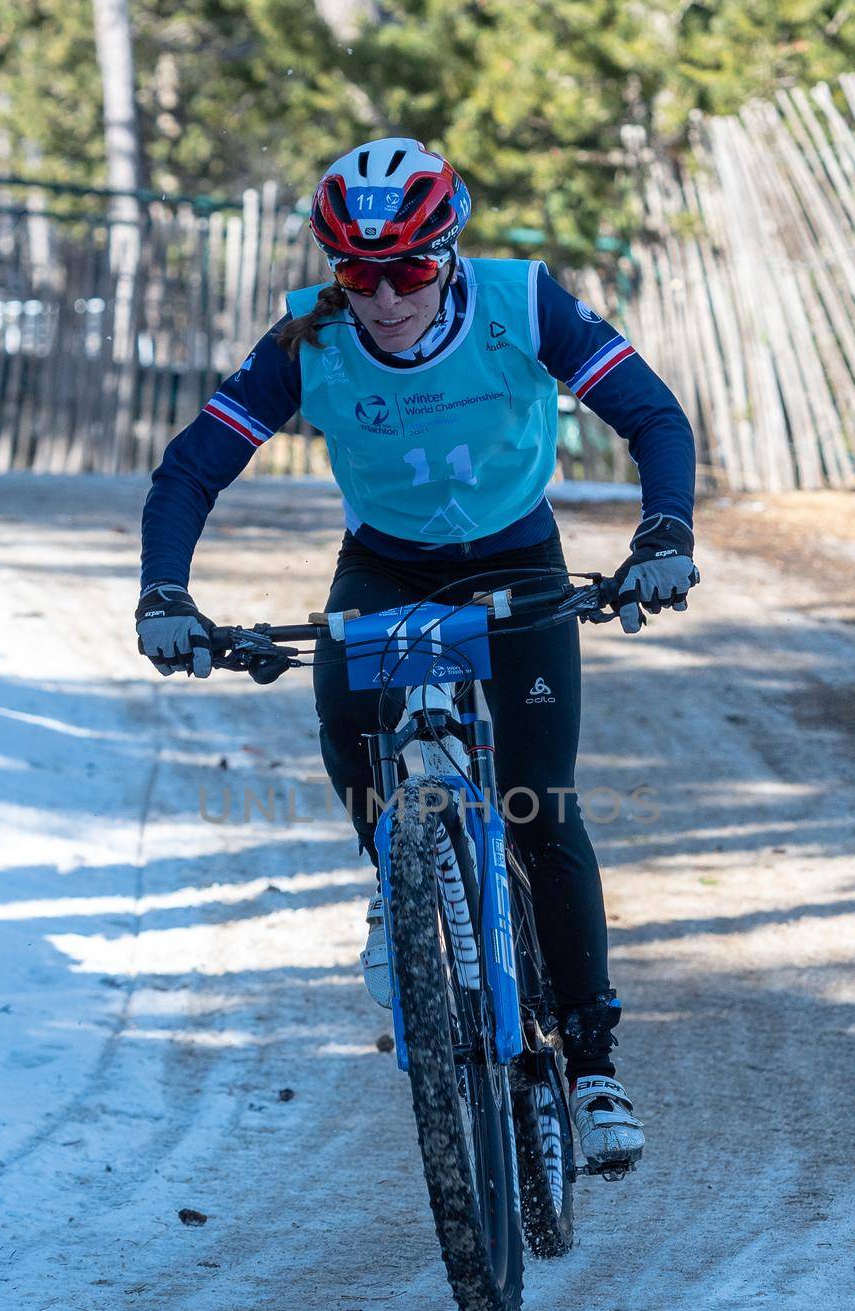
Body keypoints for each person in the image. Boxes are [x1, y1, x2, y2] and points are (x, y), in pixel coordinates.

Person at [136, 138, 698, 1174]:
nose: (384, 296)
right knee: (343, 716)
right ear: (331, 269)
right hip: (386, 568)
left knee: (540, 803)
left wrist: (661, 535)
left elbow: (651, 418)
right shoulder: (307, 339)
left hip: (518, 559)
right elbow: (188, 473)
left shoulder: (523, 303)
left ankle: (591, 1058)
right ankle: (400, 884)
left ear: (449, 252)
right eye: (357, 271)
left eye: (407, 268)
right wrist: (165, 592)